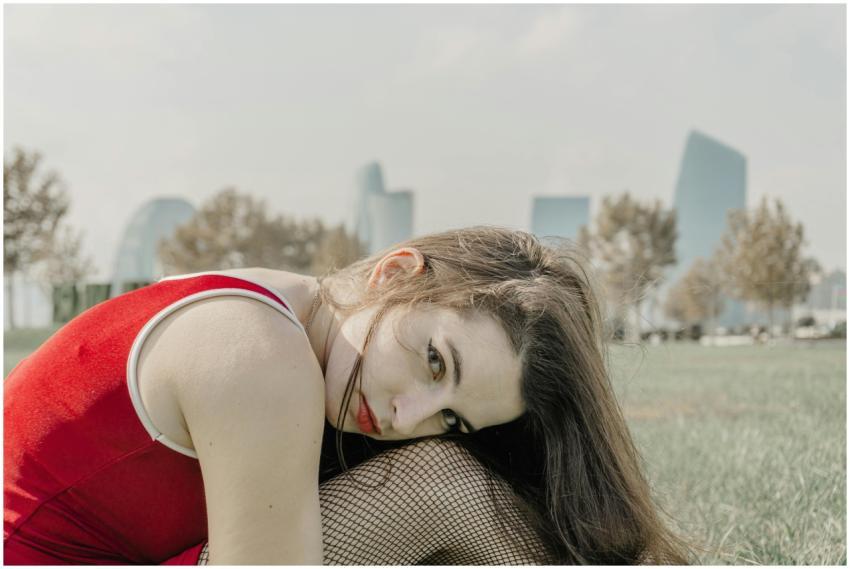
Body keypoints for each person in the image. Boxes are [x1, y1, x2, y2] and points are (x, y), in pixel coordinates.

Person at [4, 226, 690, 564]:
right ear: (396, 272)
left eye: (452, 418)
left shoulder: (293, 310)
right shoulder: (264, 355)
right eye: (432, 361)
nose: (408, 417)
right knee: (454, 488)